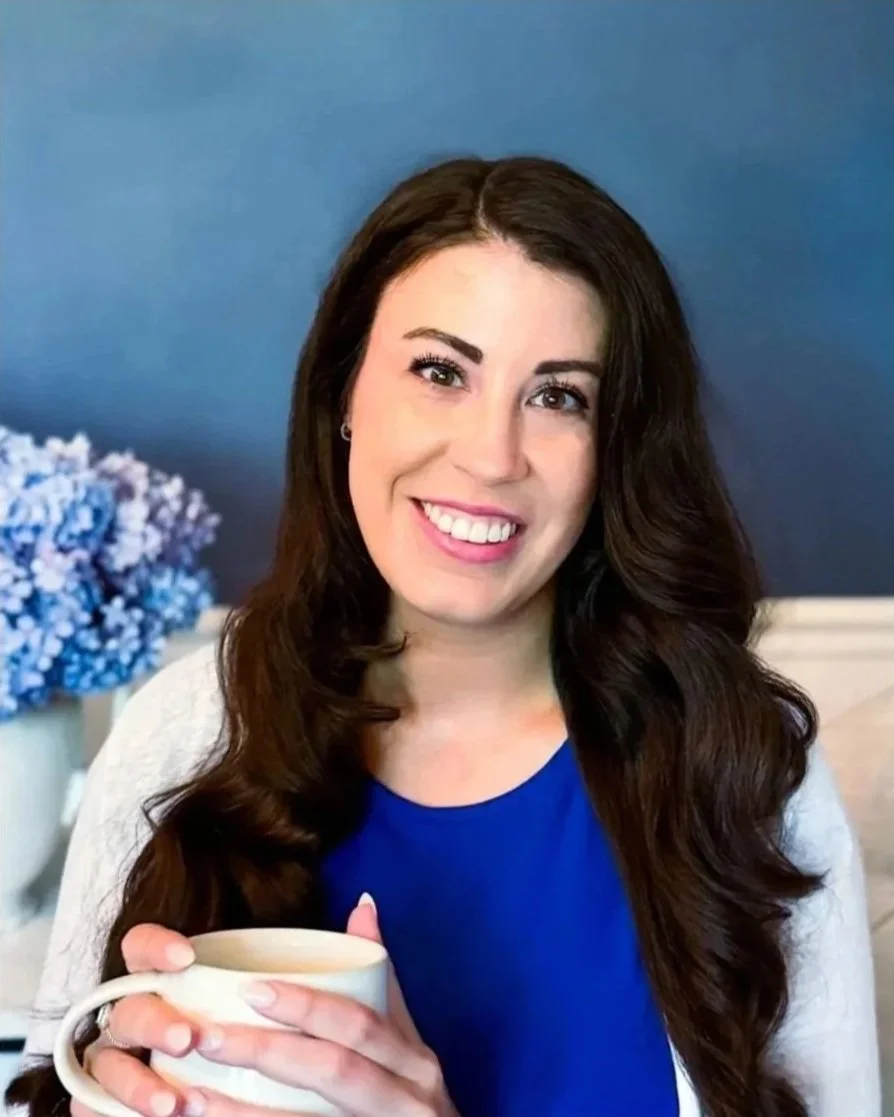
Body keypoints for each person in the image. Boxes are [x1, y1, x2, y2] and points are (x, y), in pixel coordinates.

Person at [6, 156, 879, 1117]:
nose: (490, 457)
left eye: (559, 396)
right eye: (439, 372)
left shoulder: (745, 765)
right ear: (344, 395)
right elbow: (57, 1081)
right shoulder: (180, 735)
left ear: (615, 449)